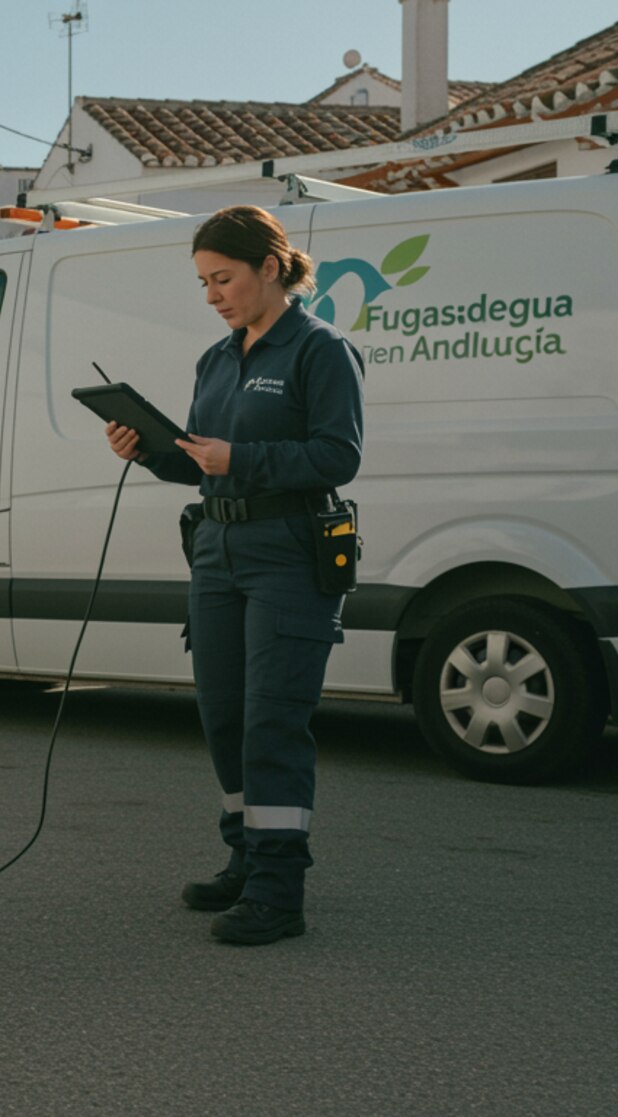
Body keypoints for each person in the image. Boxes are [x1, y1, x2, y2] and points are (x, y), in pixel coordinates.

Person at [105, 205, 364, 945]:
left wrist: (241, 459)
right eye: (203, 283)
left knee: (272, 719)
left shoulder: (320, 349)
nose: (213, 294)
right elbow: (197, 461)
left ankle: (280, 891)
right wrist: (146, 451)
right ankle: (245, 859)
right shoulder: (216, 360)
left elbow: (338, 456)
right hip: (217, 546)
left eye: (224, 277)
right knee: (223, 715)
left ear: (271, 268)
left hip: (289, 548)